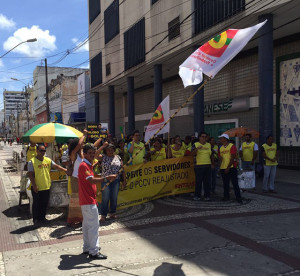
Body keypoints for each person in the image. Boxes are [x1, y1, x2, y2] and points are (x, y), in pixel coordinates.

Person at [78, 143, 117, 259]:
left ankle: (87, 247)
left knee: (86, 226)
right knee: (94, 226)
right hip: (88, 201)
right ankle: (94, 251)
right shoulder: (84, 165)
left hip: (87, 200)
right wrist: (107, 178)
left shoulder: (87, 165)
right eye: (89, 153)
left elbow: (91, 178)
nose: (91, 155)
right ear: (84, 154)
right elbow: (91, 180)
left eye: (93, 153)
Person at [27, 143, 67, 226]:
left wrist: (65, 170)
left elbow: (56, 166)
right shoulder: (32, 162)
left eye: (44, 151)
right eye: (41, 151)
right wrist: (34, 185)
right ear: (37, 151)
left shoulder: (48, 160)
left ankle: (42, 218)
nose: (43, 152)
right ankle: (36, 220)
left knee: (44, 204)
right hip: (37, 187)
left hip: (46, 186)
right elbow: (30, 174)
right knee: (36, 204)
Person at [97, 143, 125, 222]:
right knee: (105, 198)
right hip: (105, 180)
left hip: (116, 180)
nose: (110, 151)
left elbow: (122, 169)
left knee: (114, 197)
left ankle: (112, 213)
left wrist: (124, 180)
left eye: (112, 149)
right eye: (108, 150)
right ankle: (103, 215)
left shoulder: (118, 157)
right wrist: (102, 146)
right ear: (105, 150)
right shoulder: (103, 157)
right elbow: (96, 155)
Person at [218, 134, 243, 204]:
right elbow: (220, 157)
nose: (220, 140)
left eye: (221, 138)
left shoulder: (232, 146)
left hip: (231, 167)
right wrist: (220, 164)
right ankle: (226, 197)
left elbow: (232, 157)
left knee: (235, 183)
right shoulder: (220, 147)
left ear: (225, 139)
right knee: (225, 183)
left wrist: (228, 167)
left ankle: (238, 198)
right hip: (223, 167)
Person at [191, 132, 214, 201]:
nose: (204, 138)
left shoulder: (209, 145)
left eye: (205, 137)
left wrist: (213, 164)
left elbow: (211, 154)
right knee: (198, 182)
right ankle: (197, 195)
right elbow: (192, 154)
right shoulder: (195, 144)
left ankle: (207, 196)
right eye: (202, 136)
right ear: (199, 137)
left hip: (207, 165)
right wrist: (197, 149)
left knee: (207, 182)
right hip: (199, 166)